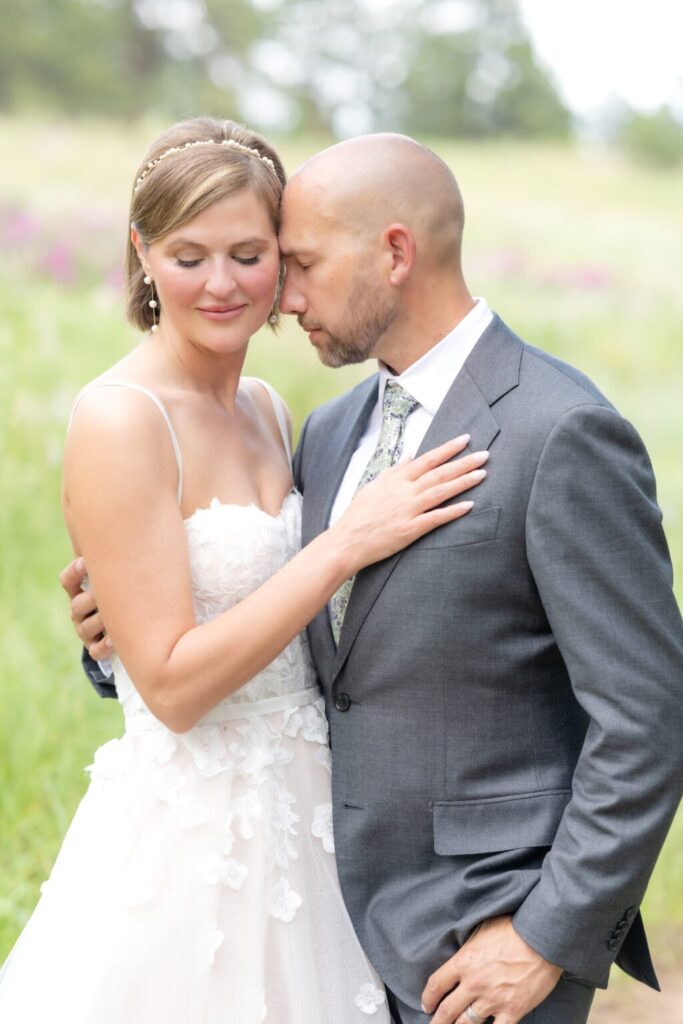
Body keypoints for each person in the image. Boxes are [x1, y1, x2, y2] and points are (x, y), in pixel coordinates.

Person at [64, 134, 682, 1024]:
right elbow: (302, 638)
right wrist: (117, 644)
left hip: (484, 944)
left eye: (293, 263)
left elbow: (648, 715)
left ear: (394, 254)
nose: (283, 296)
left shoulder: (560, 431)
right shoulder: (327, 428)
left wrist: (548, 935)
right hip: (318, 912)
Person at [0, 120, 489, 1024]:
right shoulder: (120, 417)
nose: (221, 284)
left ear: (283, 261)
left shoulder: (268, 406)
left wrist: (112, 645)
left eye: (248, 254)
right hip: (194, 838)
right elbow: (177, 690)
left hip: (309, 819)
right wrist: (342, 543)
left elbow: (274, 623)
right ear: (141, 255)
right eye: (187, 255)